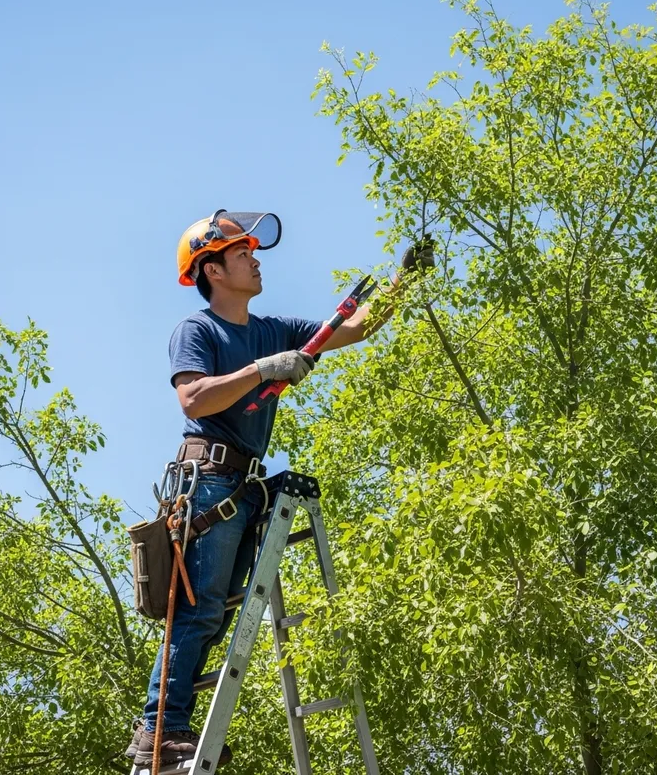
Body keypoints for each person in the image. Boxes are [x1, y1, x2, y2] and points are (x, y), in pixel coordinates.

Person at [129, 210, 433, 768]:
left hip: (243, 487)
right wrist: (262, 370)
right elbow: (194, 398)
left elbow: (355, 327)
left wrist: (403, 281)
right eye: (242, 253)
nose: (255, 260)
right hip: (209, 482)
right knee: (199, 613)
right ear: (212, 270)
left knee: (215, 616)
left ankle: (168, 725)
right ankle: (158, 729)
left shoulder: (272, 329)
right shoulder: (198, 331)